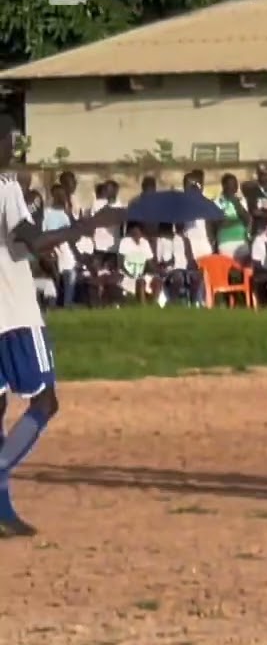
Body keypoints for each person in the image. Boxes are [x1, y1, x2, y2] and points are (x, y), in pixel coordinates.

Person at [0, 170, 125, 535]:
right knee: (46, 401)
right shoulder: (6, 185)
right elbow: (33, 239)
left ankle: (2, 512)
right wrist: (90, 225)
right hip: (15, 314)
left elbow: (17, 244)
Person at [214, 174, 251, 261]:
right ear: (224, 186)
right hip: (225, 243)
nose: (234, 188)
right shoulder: (217, 202)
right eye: (230, 184)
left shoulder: (242, 201)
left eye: (235, 184)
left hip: (242, 242)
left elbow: (247, 220)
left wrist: (236, 203)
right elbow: (216, 224)